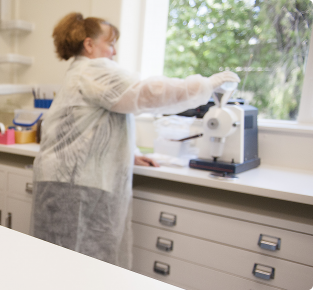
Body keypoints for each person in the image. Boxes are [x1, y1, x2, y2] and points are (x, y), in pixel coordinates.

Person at [32, 12, 240, 267]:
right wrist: (205, 85)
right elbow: (148, 93)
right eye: (109, 44)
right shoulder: (94, 70)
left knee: (57, 263)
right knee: (77, 266)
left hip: (63, 179)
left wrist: (127, 154)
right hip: (76, 184)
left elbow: (87, 128)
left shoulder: (79, 73)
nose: (114, 52)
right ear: (89, 45)